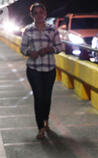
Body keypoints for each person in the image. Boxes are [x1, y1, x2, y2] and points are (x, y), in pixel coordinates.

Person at [20, 2, 64, 139]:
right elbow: (22, 48)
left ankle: (45, 120)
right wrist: (29, 52)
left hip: (49, 69)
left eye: (41, 12)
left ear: (45, 14)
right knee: (38, 97)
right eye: (36, 13)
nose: (39, 15)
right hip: (34, 69)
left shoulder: (52, 29)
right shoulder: (28, 30)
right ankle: (40, 128)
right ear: (31, 15)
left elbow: (60, 47)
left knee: (46, 98)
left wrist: (49, 49)